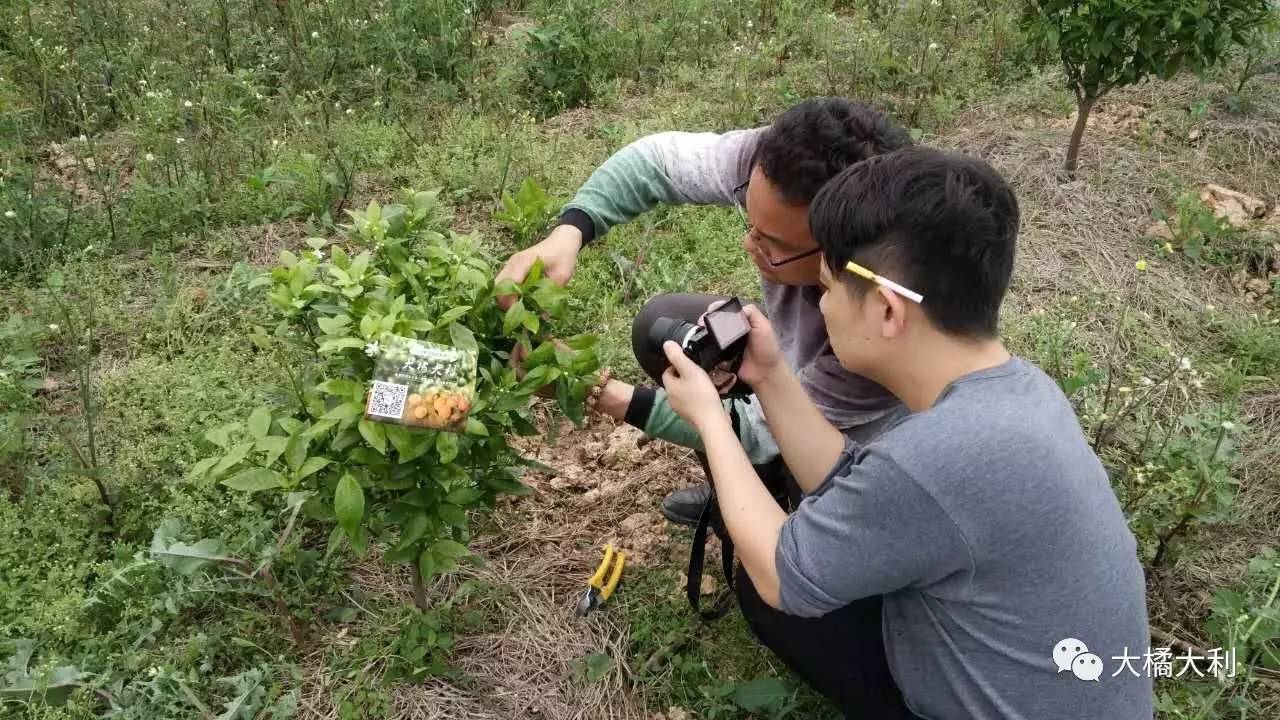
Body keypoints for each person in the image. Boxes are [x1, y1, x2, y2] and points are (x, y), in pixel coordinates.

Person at [656, 146, 1154, 719]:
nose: (823, 308)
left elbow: (780, 572)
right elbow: (858, 483)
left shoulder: (933, 461)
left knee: (770, 593)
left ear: (889, 312)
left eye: (827, 290)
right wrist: (769, 376)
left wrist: (712, 422)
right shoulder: (1021, 393)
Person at [496, 98, 913, 527]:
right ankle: (745, 489)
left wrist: (596, 390)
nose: (750, 245)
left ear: (839, 257)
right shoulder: (779, 165)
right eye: (749, 220)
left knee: (769, 589)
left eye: (775, 244)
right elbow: (654, 162)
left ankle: (780, 510)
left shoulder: (879, 335)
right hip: (788, 370)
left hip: (849, 458)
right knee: (667, 327)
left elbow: (764, 431)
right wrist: (568, 234)